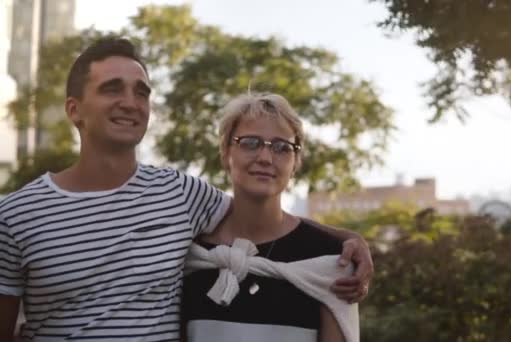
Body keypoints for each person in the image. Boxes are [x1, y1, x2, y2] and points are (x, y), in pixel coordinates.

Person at [0, 37, 372, 341]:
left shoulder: (180, 194)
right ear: (74, 109)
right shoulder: (16, 216)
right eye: (112, 89)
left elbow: (259, 214)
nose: (130, 102)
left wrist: (351, 238)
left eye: (141, 92)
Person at [180, 93, 360, 342]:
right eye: (250, 143)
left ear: (295, 162)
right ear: (225, 153)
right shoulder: (190, 256)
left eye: (282, 147)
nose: (265, 158)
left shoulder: (329, 261)